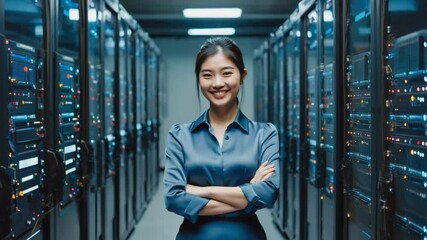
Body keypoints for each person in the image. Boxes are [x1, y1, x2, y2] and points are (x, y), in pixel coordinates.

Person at [163, 37, 280, 240]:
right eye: (207, 75)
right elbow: (173, 199)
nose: (217, 83)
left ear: (242, 75)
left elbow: (268, 194)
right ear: (198, 78)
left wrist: (200, 191)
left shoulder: (265, 134)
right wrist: (247, 196)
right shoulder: (179, 135)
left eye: (227, 73)